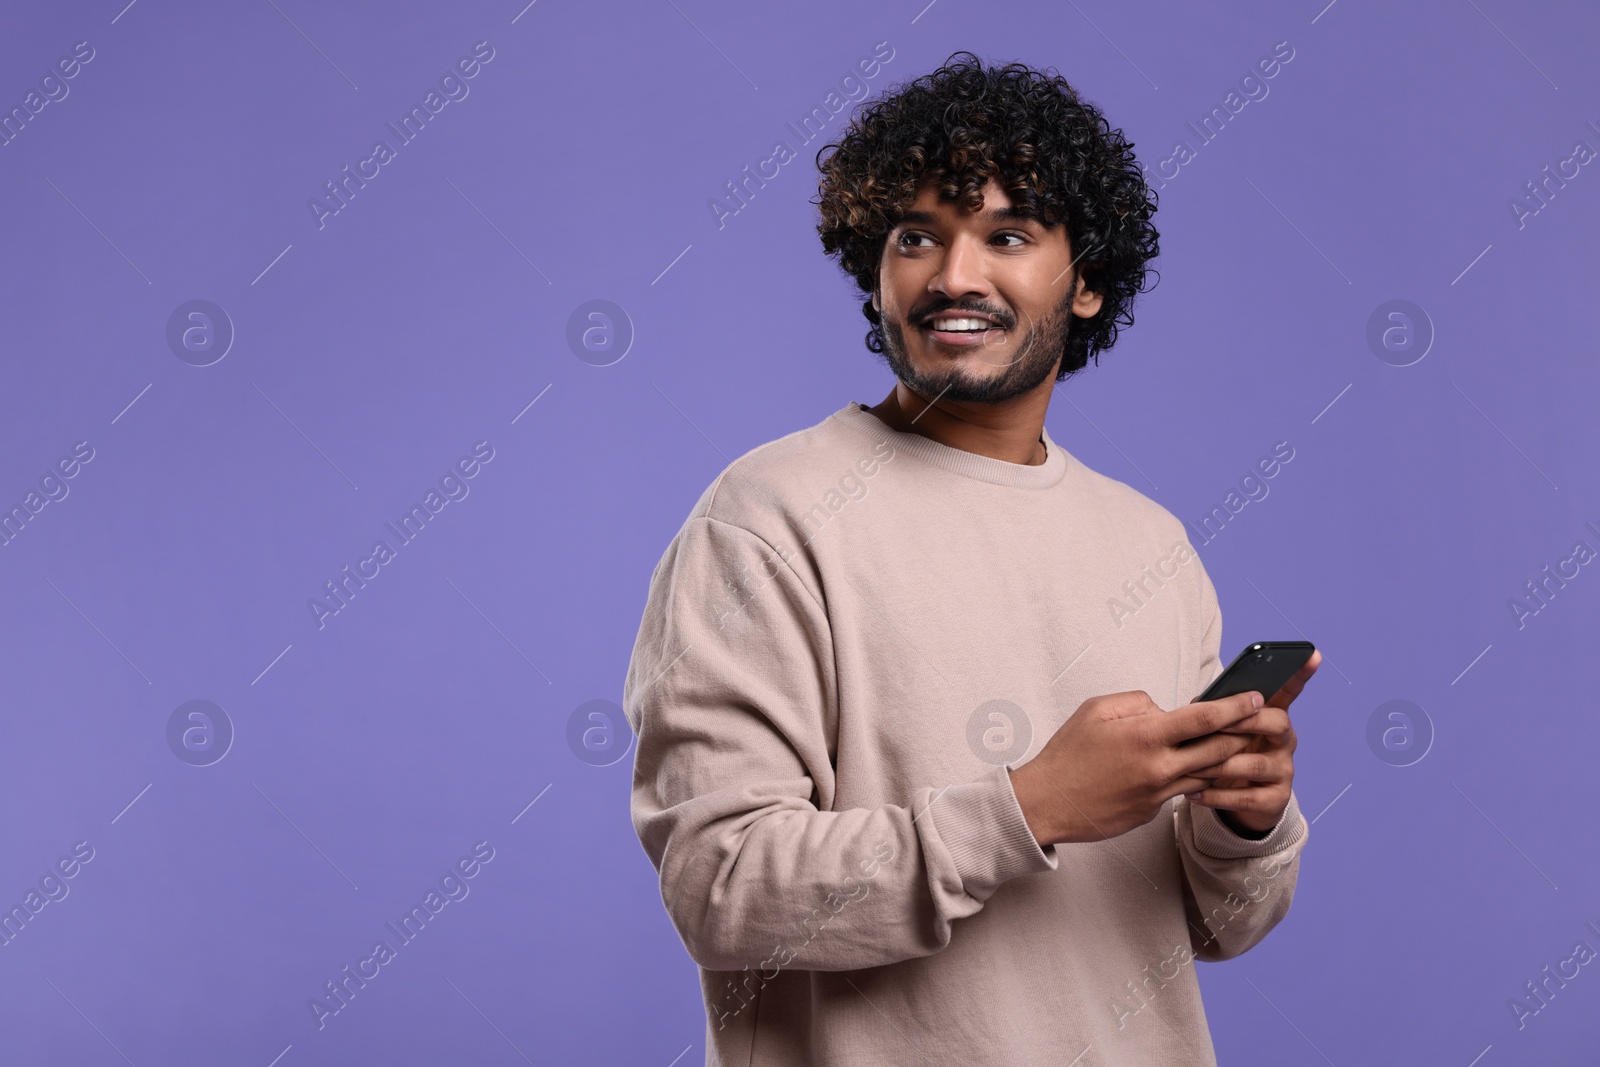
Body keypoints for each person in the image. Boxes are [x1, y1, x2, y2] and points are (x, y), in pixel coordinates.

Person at [622, 51, 1321, 1066]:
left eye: (1007, 235)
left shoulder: (1149, 543)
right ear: (875, 268)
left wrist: (1244, 824)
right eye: (916, 237)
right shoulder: (766, 518)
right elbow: (722, 889)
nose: (954, 276)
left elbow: (1220, 926)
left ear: (1085, 284)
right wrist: (1028, 806)